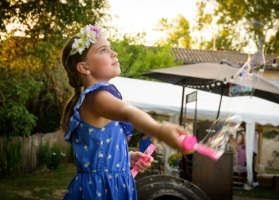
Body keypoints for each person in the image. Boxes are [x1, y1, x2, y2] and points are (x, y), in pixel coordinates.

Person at [60, 24, 194, 200]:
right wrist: (160, 130)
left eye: (110, 48)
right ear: (84, 68)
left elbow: (98, 152)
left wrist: (126, 158)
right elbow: (128, 111)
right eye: (103, 50)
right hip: (102, 191)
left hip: (103, 186)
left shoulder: (92, 98)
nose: (113, 53)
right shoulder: (96, 97)